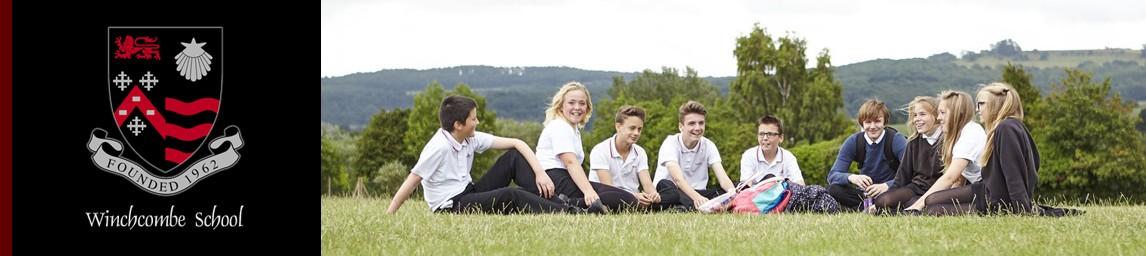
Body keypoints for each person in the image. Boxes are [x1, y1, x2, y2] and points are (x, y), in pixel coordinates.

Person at [387, 96, 574, 214]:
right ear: (458, 125)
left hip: (469, 191)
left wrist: (540, 173)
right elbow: (412, 181)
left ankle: (559, 202)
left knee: (513, 158)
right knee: (511, 195)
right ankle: (568, 211)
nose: (477, 121)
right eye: (473, 118)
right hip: (452, 206)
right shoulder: (438, 147)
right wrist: (391, 213)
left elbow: (518, 143)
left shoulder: (469, 137)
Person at [534, 81, 637, 213]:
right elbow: (570, 162)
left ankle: (568, 203)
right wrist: (588, 191)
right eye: (571, 103)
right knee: (624, 199)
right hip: (554, 178)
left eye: (582, 103)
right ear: (561, 106)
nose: (577, 107)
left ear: (587, 107)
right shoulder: (560, 126)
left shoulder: (573, 129)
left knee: (625, 198)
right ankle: (564, 204)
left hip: (565, 178)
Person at [904, 90, 987, 215]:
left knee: (932, 202)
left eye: (942, 113)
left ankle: (987, 209)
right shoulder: (961, 133)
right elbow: (959, 180)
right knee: (932, 205)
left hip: (987, 190)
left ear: (956, 113)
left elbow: (950, 177)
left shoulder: (971, 133)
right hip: (978, 189)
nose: (939, 118)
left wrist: (917, 206)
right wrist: (948, 197)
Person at [652, 101, 736, 210]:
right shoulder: (670, 143)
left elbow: (723, 178)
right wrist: (697, 198)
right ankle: (701, 206)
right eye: (692, 123)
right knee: (667, 186)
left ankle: (691, 207)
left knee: (736, 186)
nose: (697, 128)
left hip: (698, 192)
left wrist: (732, 192)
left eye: (701, 123)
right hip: (672, 191)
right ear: (681, 126)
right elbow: (678, 179)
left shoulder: (708, 145)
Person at [826, 99, 908, 210]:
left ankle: (866, 208)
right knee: (834, 189)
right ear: (862, 123)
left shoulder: (896, 139)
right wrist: (851, 177)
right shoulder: (853, 141)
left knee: (903, 193)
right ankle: (870, 208)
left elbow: (910, 173)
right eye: (868, 122)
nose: (872, 126)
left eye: (877, 121)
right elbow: (833, 175)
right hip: (865, 194)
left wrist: (886, 186)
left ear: (885, 122)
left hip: (891, 190)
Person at [871, 96, 944, 213]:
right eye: (915, 115)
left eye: (922, 114)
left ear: (936, 116)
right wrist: (890, 196)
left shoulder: (946, 140)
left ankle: (913, 207)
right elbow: (902, 176)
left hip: (938, 190)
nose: (917, 119)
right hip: (916, 188)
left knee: (926, 205)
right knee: (882, 201)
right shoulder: (913, 142)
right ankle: (911, 207)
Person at [588, 106, 660, 209]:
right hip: (609, 197)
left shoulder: (640, 152)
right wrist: (634, 196)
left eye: (639, 129)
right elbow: (608, 187)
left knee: (669, 192)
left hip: (634, 200)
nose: (636, 133)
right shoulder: (600, 150)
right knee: (612, 198)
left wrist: (653, 195)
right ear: (618, 127)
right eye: (632, 128)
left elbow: (647, 184)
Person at [739, 115, 805, 186]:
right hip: (755, 196)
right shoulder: (749, 155)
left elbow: (800, 184)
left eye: (770, 134)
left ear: (781, 138)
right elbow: (746, 186)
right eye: (761, 134)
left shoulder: (788, 157)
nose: (765, 138)